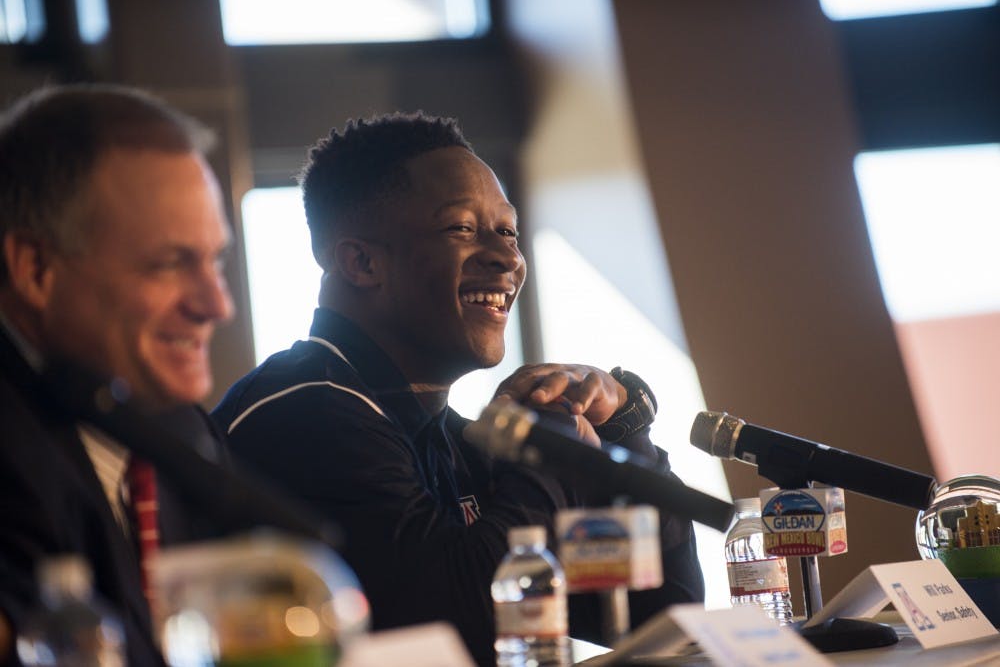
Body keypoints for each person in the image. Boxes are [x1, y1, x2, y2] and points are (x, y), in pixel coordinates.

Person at [212, 113, 704, 666]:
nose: (508, 259)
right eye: (461, 228)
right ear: (361, 261)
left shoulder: (452, 435)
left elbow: (663, 616)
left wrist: (621, 433)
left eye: (508, 231)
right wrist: (551, 444)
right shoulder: (303, 410)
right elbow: (457, 622)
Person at [0, 85, 234, 665]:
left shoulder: (181, 431)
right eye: (171, 263)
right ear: (37, 270)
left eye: (216, 261)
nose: (216, 304)